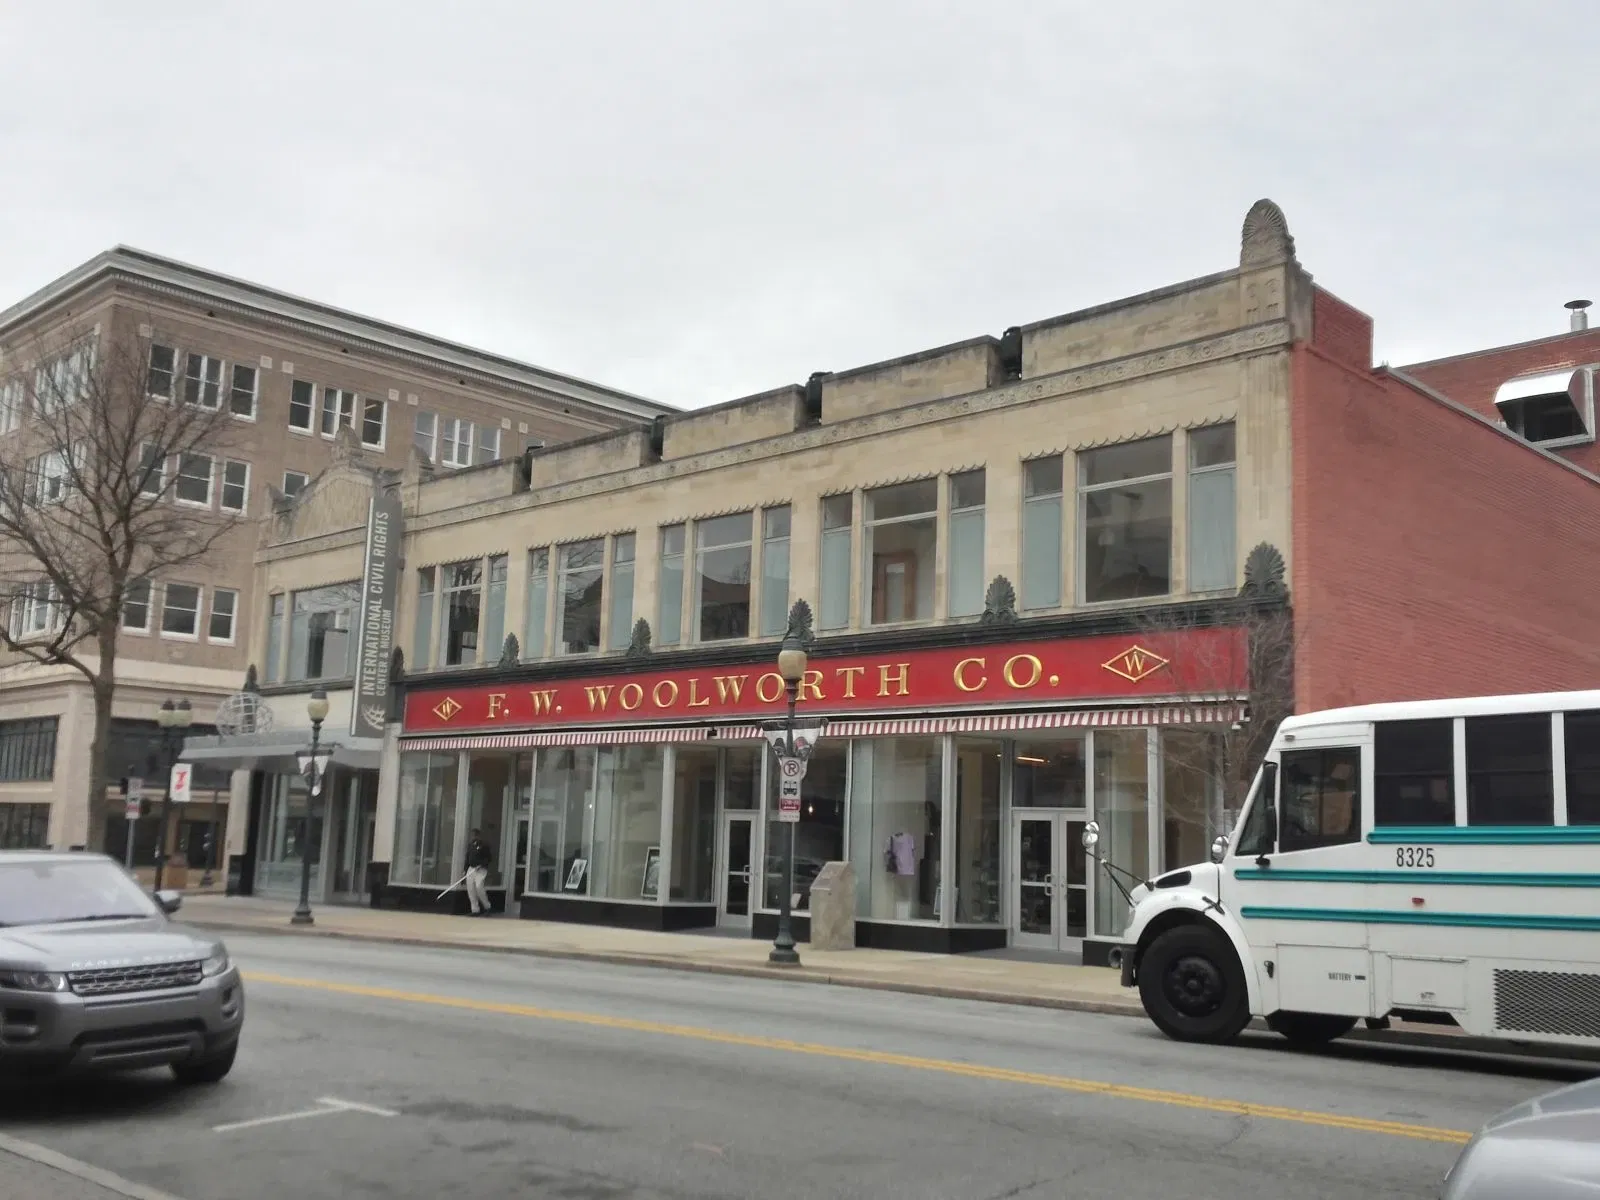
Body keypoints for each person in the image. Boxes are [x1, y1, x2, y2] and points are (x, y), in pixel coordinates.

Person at [464, 828, 494, 916]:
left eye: (475, 835)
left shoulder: (484, 845)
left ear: (478, 836)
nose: (473, 837)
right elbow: (467, 858)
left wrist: (481, 864)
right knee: (471, 889)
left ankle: (487, 907)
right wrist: (465, 869)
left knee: (479, 887)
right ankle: (475, 910)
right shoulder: (470, 845)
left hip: (480, 869)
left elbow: (489, 858)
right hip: (471, 869)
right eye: (472, 836)